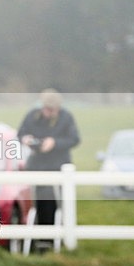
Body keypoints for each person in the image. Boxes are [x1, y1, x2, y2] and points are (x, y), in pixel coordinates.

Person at [18, 89, 80, 250]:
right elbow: (21, 133)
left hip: (57, 167)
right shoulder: (32, 115)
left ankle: (54, 239)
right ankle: (35, 240)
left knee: (55, 204)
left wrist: (54, 143)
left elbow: (75, 139)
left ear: (57, 109)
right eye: (46, 108)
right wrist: (26, 139)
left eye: (51, 110)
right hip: (36, 167)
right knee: (34, 204)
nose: (47, 112)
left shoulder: (66, 118)